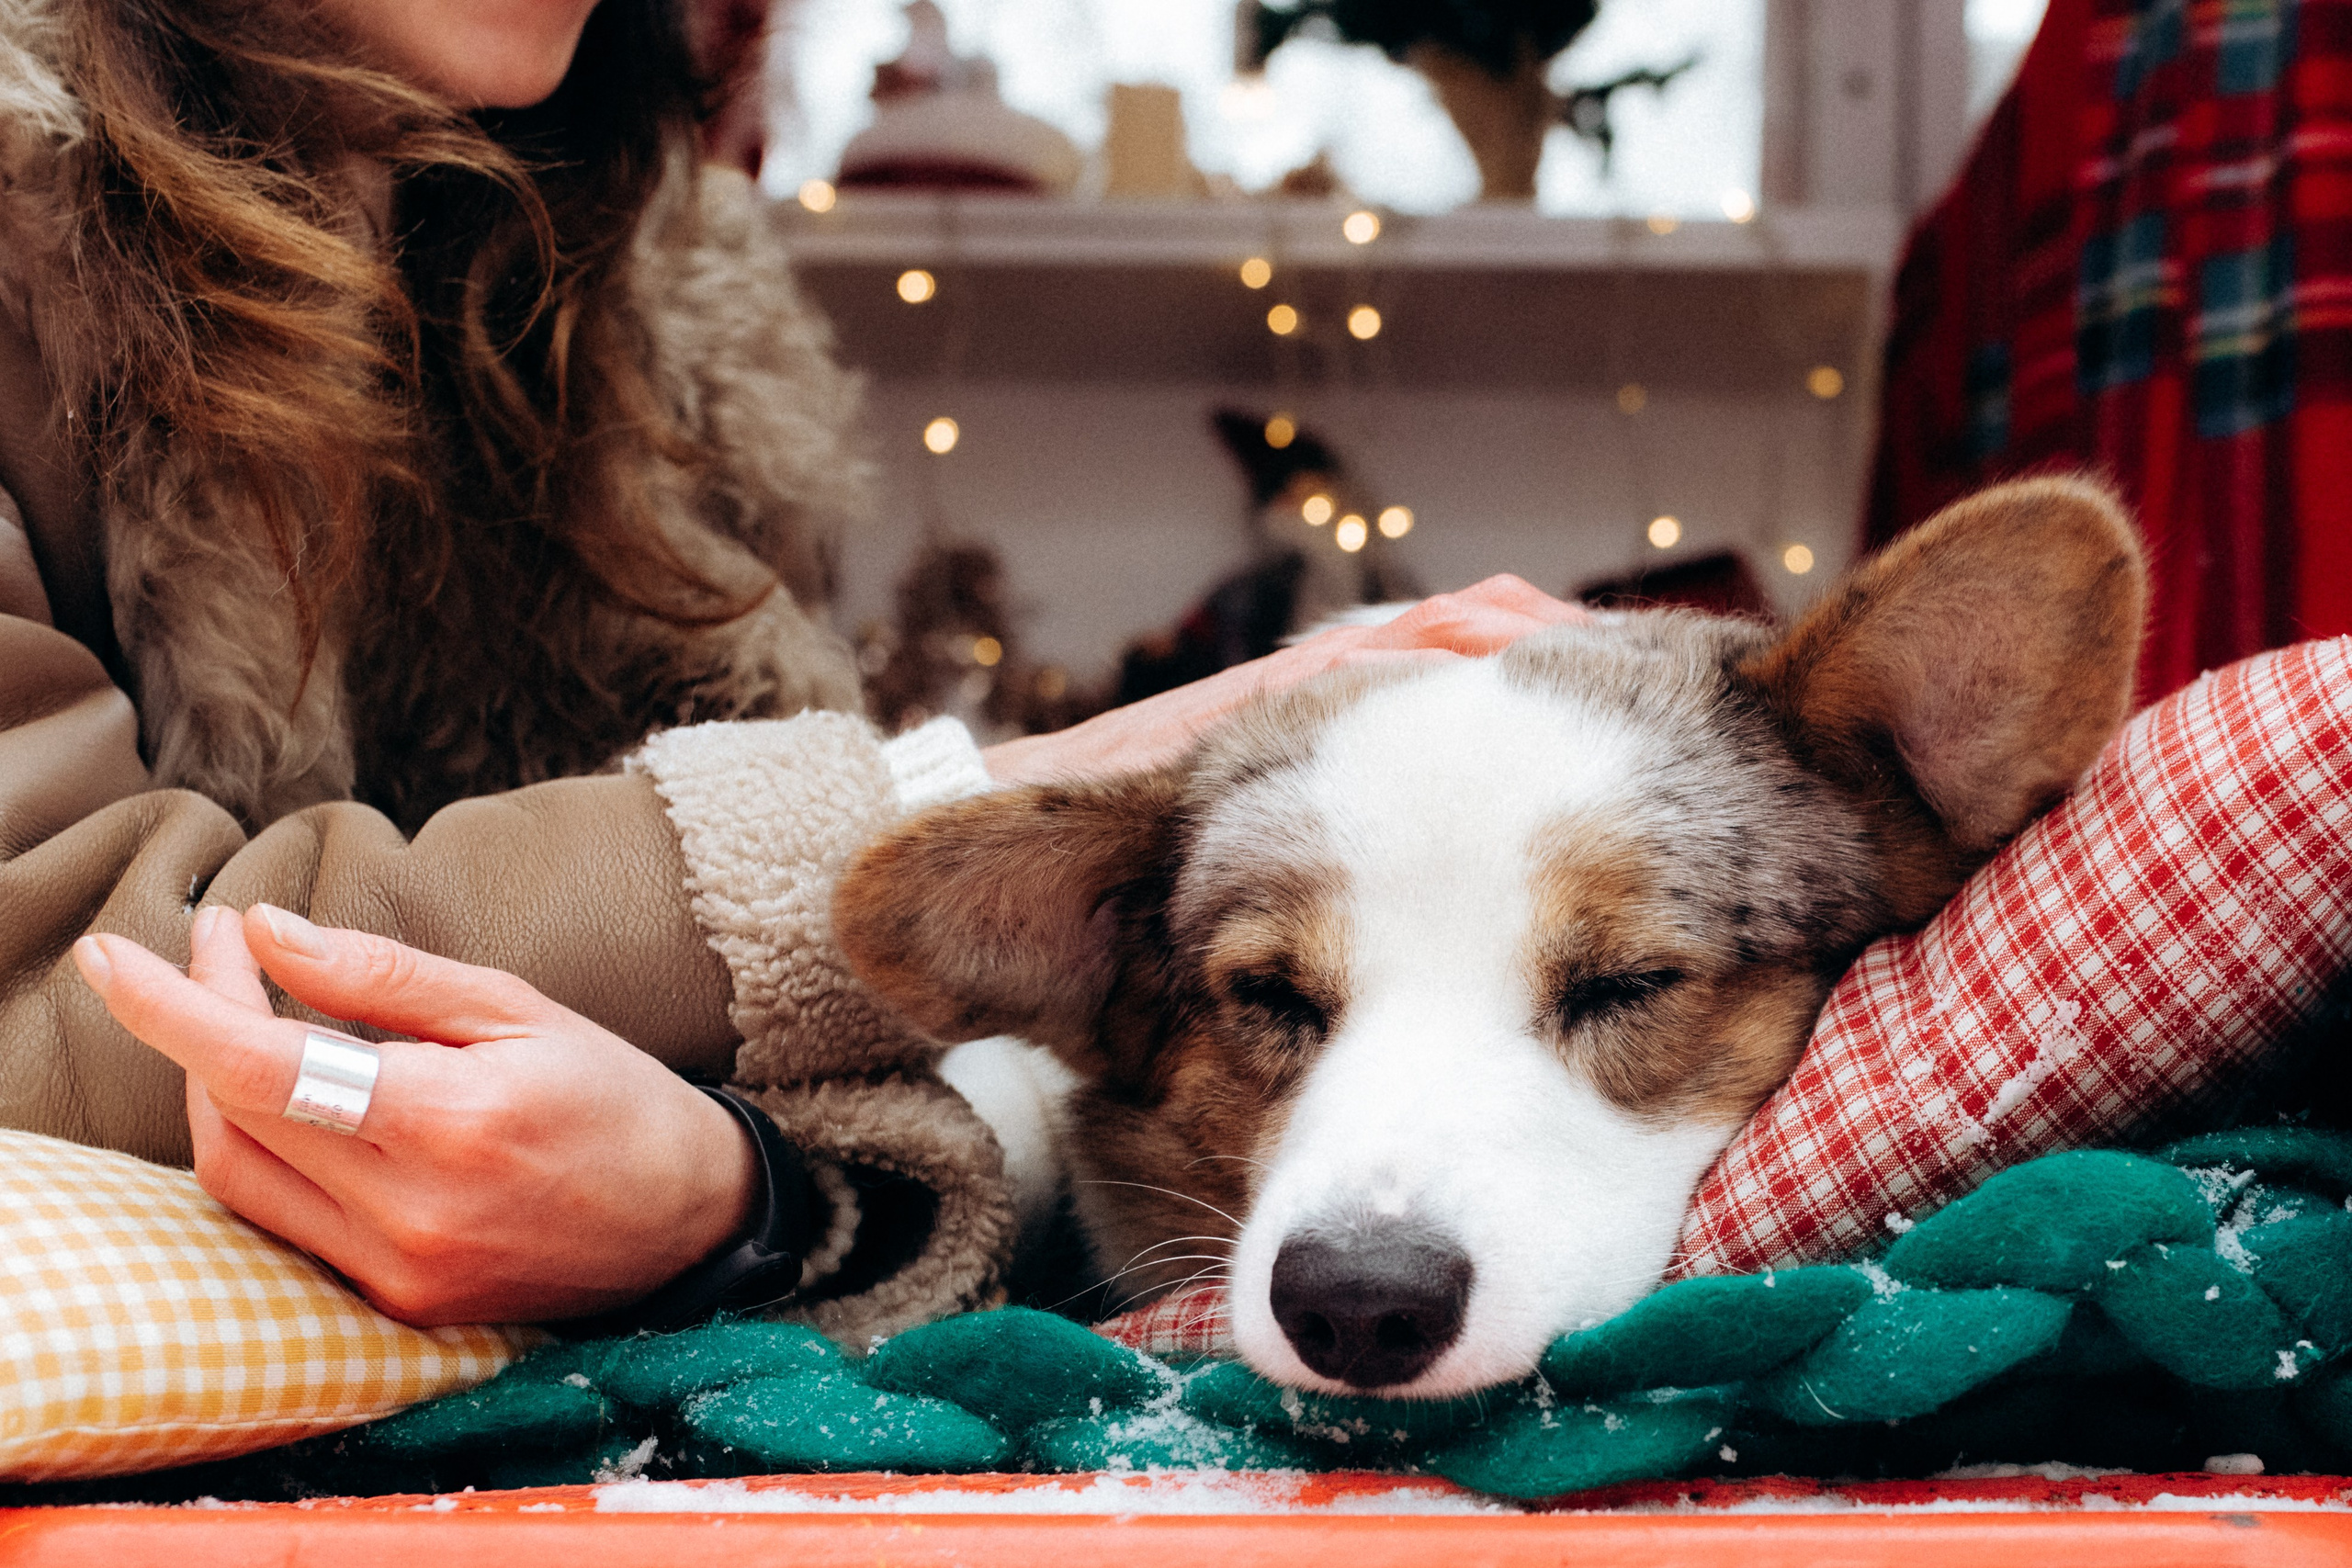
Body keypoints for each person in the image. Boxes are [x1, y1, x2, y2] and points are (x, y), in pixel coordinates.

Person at [0, 0, 1586, 1341]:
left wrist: (732, 1203)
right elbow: (52, 985)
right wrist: (973, 799)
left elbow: (834, 1074)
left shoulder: (655, 308)